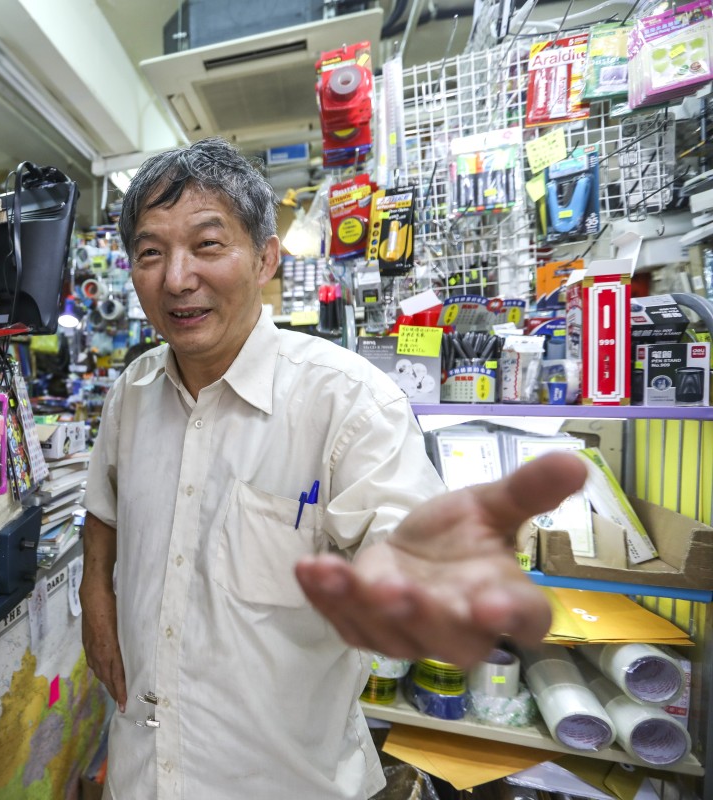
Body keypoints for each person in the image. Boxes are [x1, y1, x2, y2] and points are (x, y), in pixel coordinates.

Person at [78, 137, 587, 800]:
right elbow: (104, 505)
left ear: (265, 258)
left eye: (207, 245)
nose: (177, 278)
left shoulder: (347, 402)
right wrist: (96, 594)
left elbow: (407, 540)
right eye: (152, 252)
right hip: (143, 769)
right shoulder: (132, 392)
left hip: (286, 779)